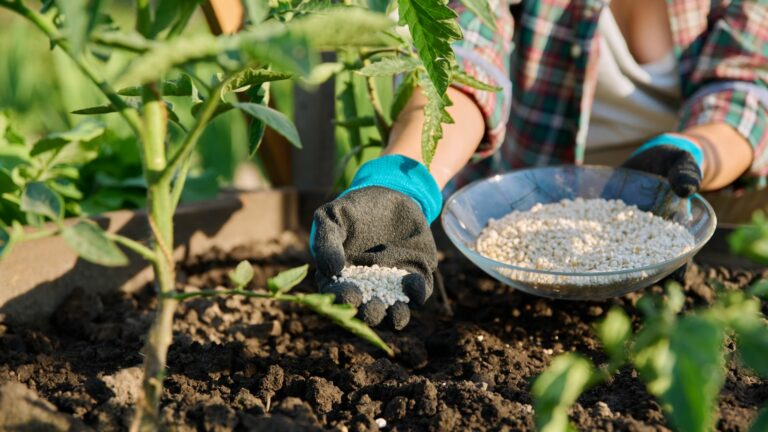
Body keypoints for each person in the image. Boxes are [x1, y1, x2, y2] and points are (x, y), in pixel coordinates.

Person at [311, 0, 768, 329]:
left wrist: (696, 151)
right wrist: (403, 180)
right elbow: (465, 58)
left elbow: (744, 87)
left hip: (667, 210)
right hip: (512, 213)